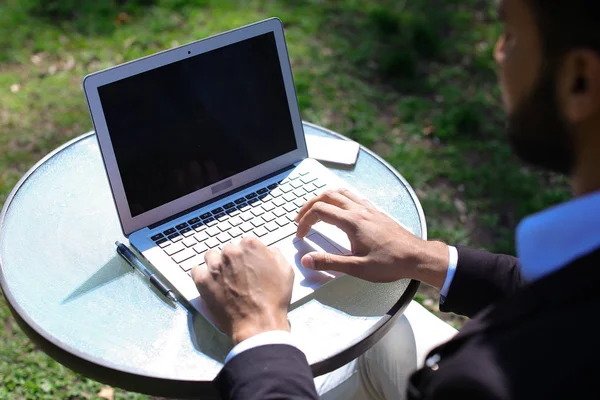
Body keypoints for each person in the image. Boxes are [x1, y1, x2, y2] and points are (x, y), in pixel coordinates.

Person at [192, 0, 600, 398]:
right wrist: (427, 257)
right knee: (386, 338)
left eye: (509, 34)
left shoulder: (481, 384)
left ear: (579, 80)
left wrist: (260, 333)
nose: (497, 52)